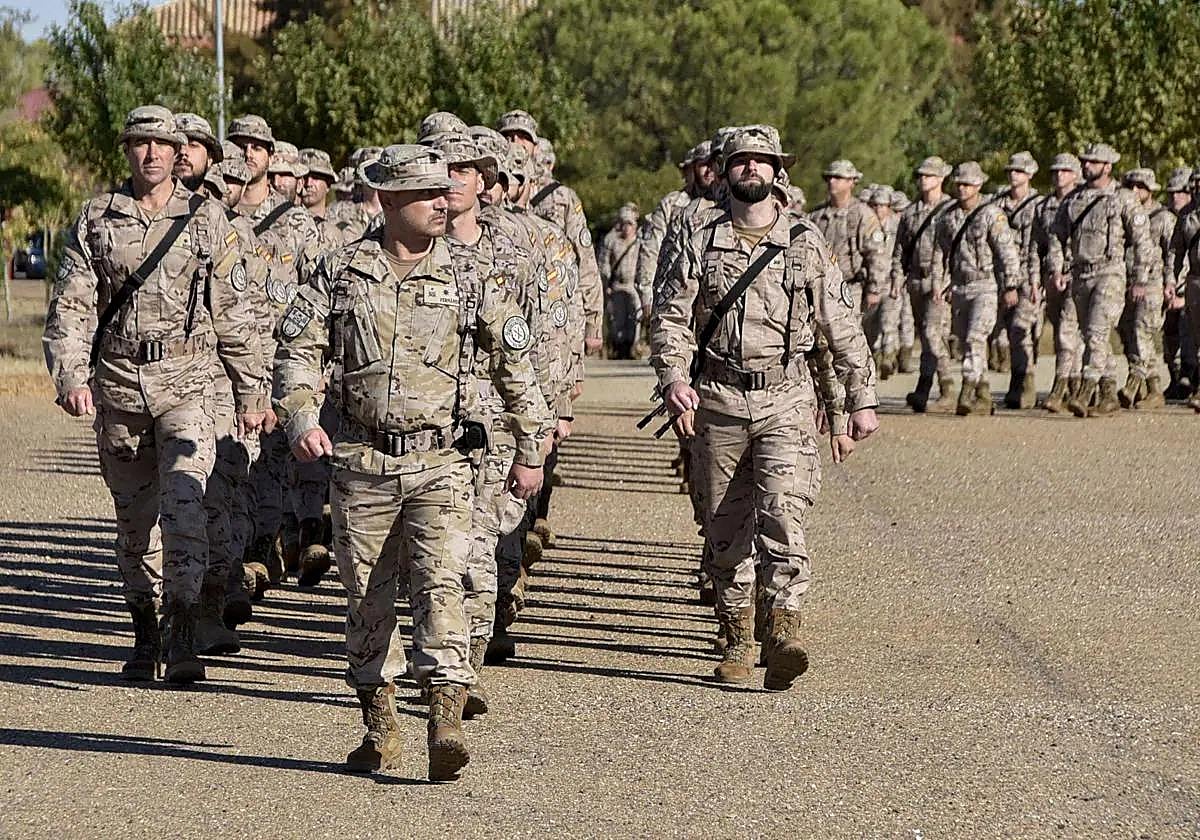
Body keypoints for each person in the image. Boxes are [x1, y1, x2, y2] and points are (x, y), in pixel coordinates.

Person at [273, 144, 549, 781]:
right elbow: (297, 353)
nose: (443, 201)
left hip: (442, 462)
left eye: (445, 190)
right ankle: (380, 724)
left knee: (441, 583)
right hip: (362, 464)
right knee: (367, 594)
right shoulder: (340, 273)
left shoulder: (472, 277)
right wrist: (301, 418)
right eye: (427, 194)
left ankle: (445, 715)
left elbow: (515, 366)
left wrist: (531, 447)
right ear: (389, 201)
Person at [43, 105, 267, 683]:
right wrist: (70, 375)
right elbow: (72, 303)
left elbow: (234, 314)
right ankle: (145, 629)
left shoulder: (207, 219)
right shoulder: (97, 218)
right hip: (118, 386)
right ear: (127, 151)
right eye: (139, 143)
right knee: (134, 521)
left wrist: (250, 393)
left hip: (187, 384)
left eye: (161, 144)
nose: (151, 154)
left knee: (186, 504)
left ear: (178, 154)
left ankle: (185, 629)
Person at [650, 124, 879, 691]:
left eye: (762, 160)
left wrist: (860, 399)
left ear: (780, 171)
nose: (750, 168)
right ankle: (736, 635)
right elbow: (671, 318)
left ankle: (784, 630)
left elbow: (840, 323)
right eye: (740, 160)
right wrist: (674, 378)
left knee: (783, 512)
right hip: (718, 399)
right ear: (725, 172)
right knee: (724, 529)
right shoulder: (700, 239)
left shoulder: (805, 242)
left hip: (787, 397)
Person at [1049, 143, 1155, 417]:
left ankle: (1085, 392)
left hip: (1110, 274)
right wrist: (1057, 268)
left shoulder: (1123, 199)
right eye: (1085, 161)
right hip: (1080, 274)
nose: (1086, 166)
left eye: (1093, 162)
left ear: (1107, 167)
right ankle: (1108, 396)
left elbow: (1144, 242)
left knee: (1096, 334)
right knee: (1094, 337)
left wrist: (1141, 278)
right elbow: (1056, 235)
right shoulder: (1073, 200)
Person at [498, 110, 603, 357]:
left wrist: (593, 322)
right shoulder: (489, 192)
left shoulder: (561, 197)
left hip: (556, 310)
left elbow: (585, 258)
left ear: (535, 146)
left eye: (522, 137)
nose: (515, 143)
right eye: (508, 136)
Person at [930, 161, 1022, 416]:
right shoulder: (948, 217)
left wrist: (1011, 285)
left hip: (986, 286)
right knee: (965, 341)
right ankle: (983, 394)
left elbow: (1007, 253)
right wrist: (939, 282)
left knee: (975, 338)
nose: (962, 188)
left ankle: (967, 391)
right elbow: (940, 253)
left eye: (968, 184)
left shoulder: (991, 214)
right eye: (959, 183)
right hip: (960, 288)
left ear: (979, 185)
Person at [890, 156, 956, 412]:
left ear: (941, 179)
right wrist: (897, 278)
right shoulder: (910, 212)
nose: (923, 180)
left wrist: (950, 280)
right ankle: (923, 389)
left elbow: (957, 249)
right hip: (916, 279)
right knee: (925, 336)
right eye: (921, 176)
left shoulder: (950, 210)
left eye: (928, 176)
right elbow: (900, 251)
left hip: (941, 280)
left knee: (932, 334)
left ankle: (947, 386)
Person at [1029, 154, 1084, 412]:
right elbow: (1035, 246)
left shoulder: (1083, 201)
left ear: (1075, 174)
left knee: (1067, 333)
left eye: (1065, 170)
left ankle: (1061, 387)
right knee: (1064, 330)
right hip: (1052, 277)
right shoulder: (1044, 206)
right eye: (1056, 171)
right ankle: (1075, 386)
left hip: (1079, 274)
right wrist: (1034, 278)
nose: (1059, 175)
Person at [1116, 169, 1173, 408]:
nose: (1135, 191)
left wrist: (1172, 284)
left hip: (1152, 283)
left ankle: (1136, 383)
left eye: (1140, 186)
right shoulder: (1125, 213)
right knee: (1128, 334)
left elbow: (1173, 254)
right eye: (1131, 186)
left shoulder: (1163, 218)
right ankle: (1151, 388)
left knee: (1143, 332)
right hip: (1126, 282)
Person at [808, 159, 889, 321]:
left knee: (848, 338)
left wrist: (873, 289)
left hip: (850, 287)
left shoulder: (862, 214)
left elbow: (876, 255)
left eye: (838, 178)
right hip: (818, 287)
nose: (832, 181)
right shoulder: (816, 215)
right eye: (829, 178)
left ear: (851, 182)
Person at [995, 152, 1042, 409]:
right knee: (1004, 331)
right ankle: (1017, 379)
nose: (1014, 175)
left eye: (1020, 171)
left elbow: (1042, 244)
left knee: (1021, 329)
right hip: (1001, 276)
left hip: (1028, 275)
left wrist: (1038, 279)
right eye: (1011, 171)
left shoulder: (1039, 205)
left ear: (1030, 174)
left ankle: (1026, 384)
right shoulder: (996, 204)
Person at [1163, 167, 1194, 398]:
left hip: (1192, 285)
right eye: (1172, 192)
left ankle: (1190, 375)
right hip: (1171, 284)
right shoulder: (1166, 218)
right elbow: (1171, 255)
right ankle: (1175, 377)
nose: (1176, 196)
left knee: (1188, 328)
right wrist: (1169, 284)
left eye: (1181, 191)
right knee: (1169, 332)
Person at [599, 202, 642, 358]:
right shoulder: (612, 241)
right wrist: (606, 286)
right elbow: (604, 265)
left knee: (636, 317)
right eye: (624, 224)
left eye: (630, 224)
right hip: (617, 285)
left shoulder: (640, 243)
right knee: (618, 319)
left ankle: (634, 346)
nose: (627, 227)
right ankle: (619, 348)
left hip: (634, 286)